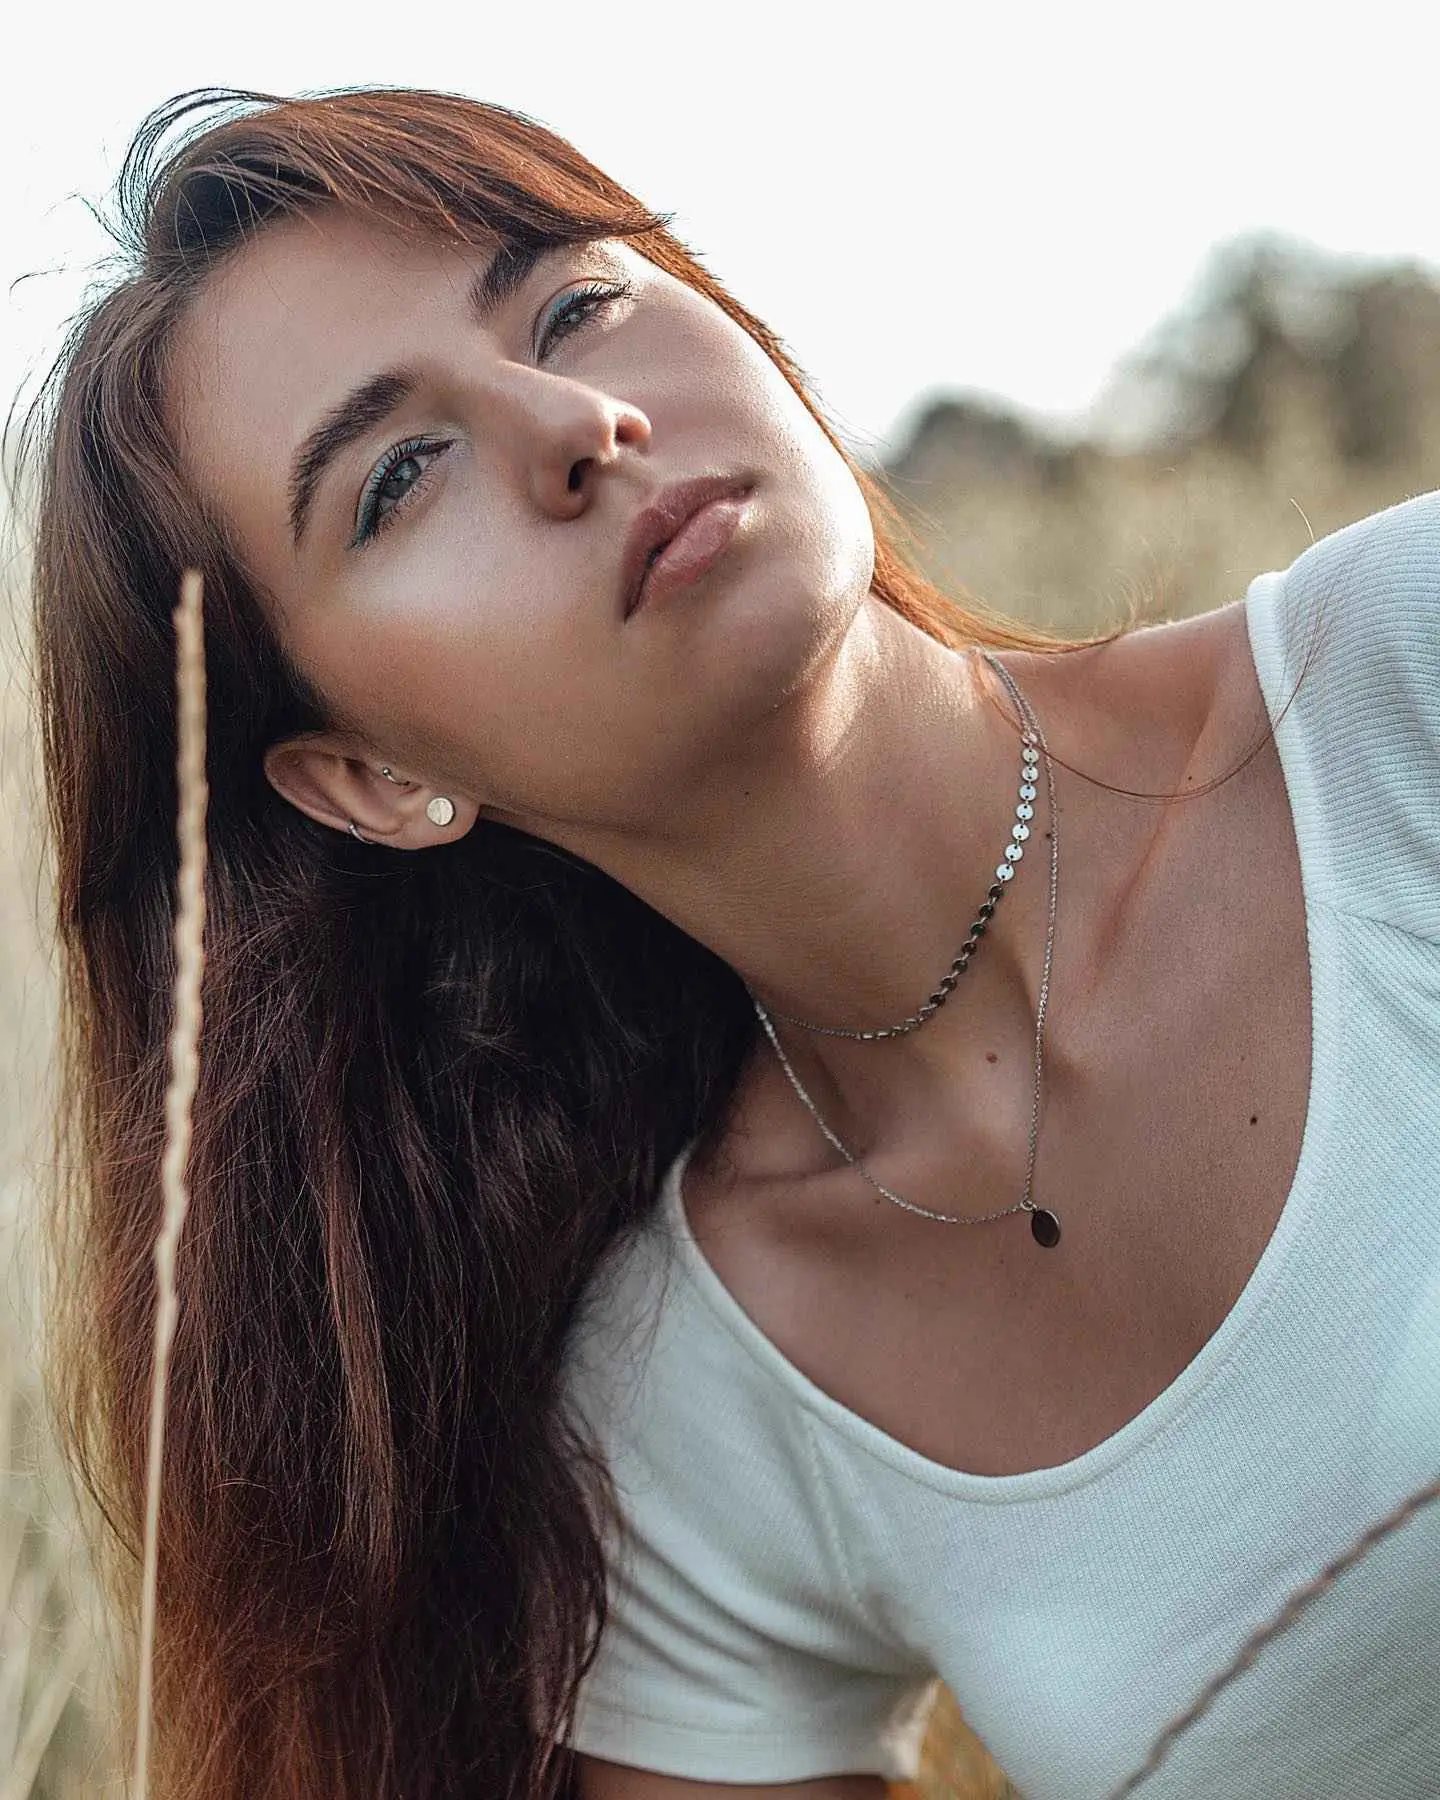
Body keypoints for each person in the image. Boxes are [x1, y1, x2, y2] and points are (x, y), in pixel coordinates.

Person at [22, 85, 1439, 1800]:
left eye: (575, 302)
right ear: (369, 781)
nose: (574, 423)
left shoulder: (1396, 688)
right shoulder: (697, 1405)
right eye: (401, 475)